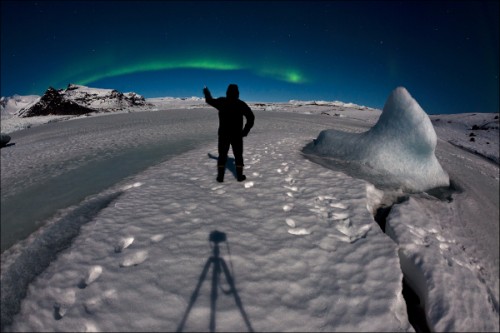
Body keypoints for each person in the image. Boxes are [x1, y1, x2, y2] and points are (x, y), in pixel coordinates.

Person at [203, 84, 255, 182]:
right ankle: (239, 177)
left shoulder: (222, 101)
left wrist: (206, 91)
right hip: (237, 135)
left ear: (227, 92)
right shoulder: (241, 104)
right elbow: (251, 118)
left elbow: (209, 100)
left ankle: (220, 177)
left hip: (223, 134)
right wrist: (245, 131)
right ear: (237, 93)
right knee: (238, 155)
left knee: (222, 155)